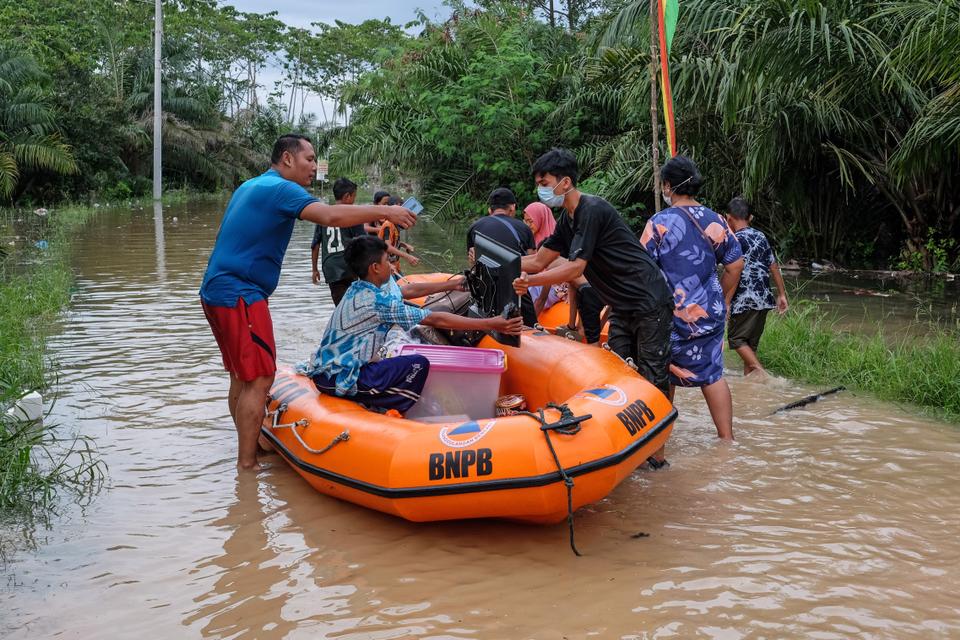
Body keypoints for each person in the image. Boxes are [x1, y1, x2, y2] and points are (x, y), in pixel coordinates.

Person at [200, 134, 417, 471]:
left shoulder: (251, 186)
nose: (314, 167)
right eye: (310, 159)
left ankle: (251, 446)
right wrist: (388, 210)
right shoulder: (282, 189)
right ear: (287, 159)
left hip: (217, 288)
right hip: (241, 293)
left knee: (241, 378)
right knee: (259, 379)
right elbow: (330, 216)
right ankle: (247, 467)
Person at [513, 148, 674, 412]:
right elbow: (538, 261)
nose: (540, 191)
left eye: (544, 184)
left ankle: (657, 453)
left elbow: (576, 269)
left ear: (565, 182)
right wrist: (498, 262)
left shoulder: (592, 210)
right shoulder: (567, 219)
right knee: (621, 371)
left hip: (648, 300)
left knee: (653, 375)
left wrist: (529, 283)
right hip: (622, 306)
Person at [299, 235, 523, 414]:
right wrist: (491, 323)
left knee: (397, 359)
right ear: (375, 268)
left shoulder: (360, 288)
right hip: (339, 377)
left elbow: (407, 290)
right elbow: (434, 319)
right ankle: (389, 408)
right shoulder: (378, 302)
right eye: (388, 260)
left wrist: (453, 285)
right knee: (417, 364)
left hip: (327, 372)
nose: (392, 265)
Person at [640, 155, 744, 456]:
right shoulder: (716, 220)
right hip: (709, 311)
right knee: (712, 374)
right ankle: (728, 442)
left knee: (665, 372)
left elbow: (643, 269)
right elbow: (735, 265)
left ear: (668, 186)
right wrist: (721, 299)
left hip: (669, 313)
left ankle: (659, 446)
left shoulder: (658, 223)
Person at [524, 201, 605, 343]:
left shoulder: (552, 264)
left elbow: (542, 299)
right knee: (588, 335)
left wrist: (530, 326)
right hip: (597, 288)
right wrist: (572, 325)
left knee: (588, 337)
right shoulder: (568, 260)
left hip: (589, 290)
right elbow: (573, 289)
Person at [725, 197, 789, 375]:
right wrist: (782, 294)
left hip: (744, 300)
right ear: (750, 218)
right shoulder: (760, 236)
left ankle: (763, 375)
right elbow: (773, 266)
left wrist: (727, 301)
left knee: (736, 339)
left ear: (728, 218)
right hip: (763, 299)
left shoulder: (733, 240)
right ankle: (752, 386)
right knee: (750, 347)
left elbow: (734, 272)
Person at [468, 188, 538, 326]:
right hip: (516, 292)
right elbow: (533, 266)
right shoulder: (523, 228)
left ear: (490, 210)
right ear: (512, 208)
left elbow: (473, 265)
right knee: (531, 326)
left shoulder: (474, 227)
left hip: (485, 292)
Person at [311, 177, 366, 304]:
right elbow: (363, 243)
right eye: (354, 197)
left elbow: (315, 245)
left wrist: (314, 269)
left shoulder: (324, 215)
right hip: (349, 266)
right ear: (347, 196)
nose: (354, 201)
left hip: (330, 268)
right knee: (354, 305)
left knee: (340, 305)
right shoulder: (353, 215)